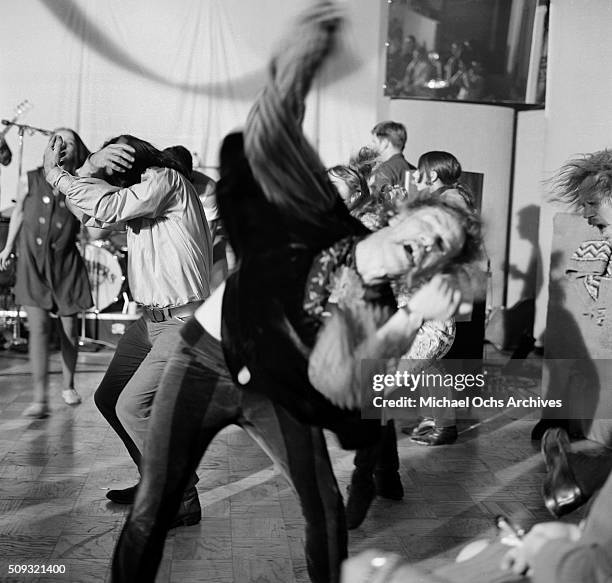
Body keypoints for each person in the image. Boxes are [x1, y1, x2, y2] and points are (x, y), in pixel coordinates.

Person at [109, 3, 482, 582]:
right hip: (204, 358)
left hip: (277, 387)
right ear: (406, 215)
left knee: (324, 509)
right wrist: (296, 69)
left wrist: (411, 320)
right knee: (154, 503)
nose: (430, 245)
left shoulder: (381, 300)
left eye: (442, 249)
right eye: (431, 228)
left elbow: (340, 376)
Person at [43, 133, 212, 525]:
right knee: (109, 397)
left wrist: (58, 174)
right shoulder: (141, 194)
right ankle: (152, 480)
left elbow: (102, 203)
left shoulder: (165, 182)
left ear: (127, 167)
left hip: (181, 323)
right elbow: (89, 217)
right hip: (149, 322)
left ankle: (183, 497)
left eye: (111, 170)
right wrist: (85, 169)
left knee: (132, 407)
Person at [0, 128, 92, 418]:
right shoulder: (30, 178)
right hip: (32, 263)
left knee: (69, 330)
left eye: (70, 142)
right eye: (58, 140)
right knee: (38, 328)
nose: (62, 146)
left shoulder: (80, 182)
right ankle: (39, 398)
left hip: (65, 264)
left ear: (78, 151)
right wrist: (8, 247)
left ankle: (68, 384)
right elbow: (18, 213)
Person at [164, 144, 227, 290]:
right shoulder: (156, 181)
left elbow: (209, 231)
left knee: (213, 275)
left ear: (189, 174)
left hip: (203, 232)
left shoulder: (208, 188)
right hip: (173, 232)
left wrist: (201, 263)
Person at [369, 121, 415, 199]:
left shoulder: (385, 169)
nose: (371, 146)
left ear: (385, 143)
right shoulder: (413, 170)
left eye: (374, 142)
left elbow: (378, 202)